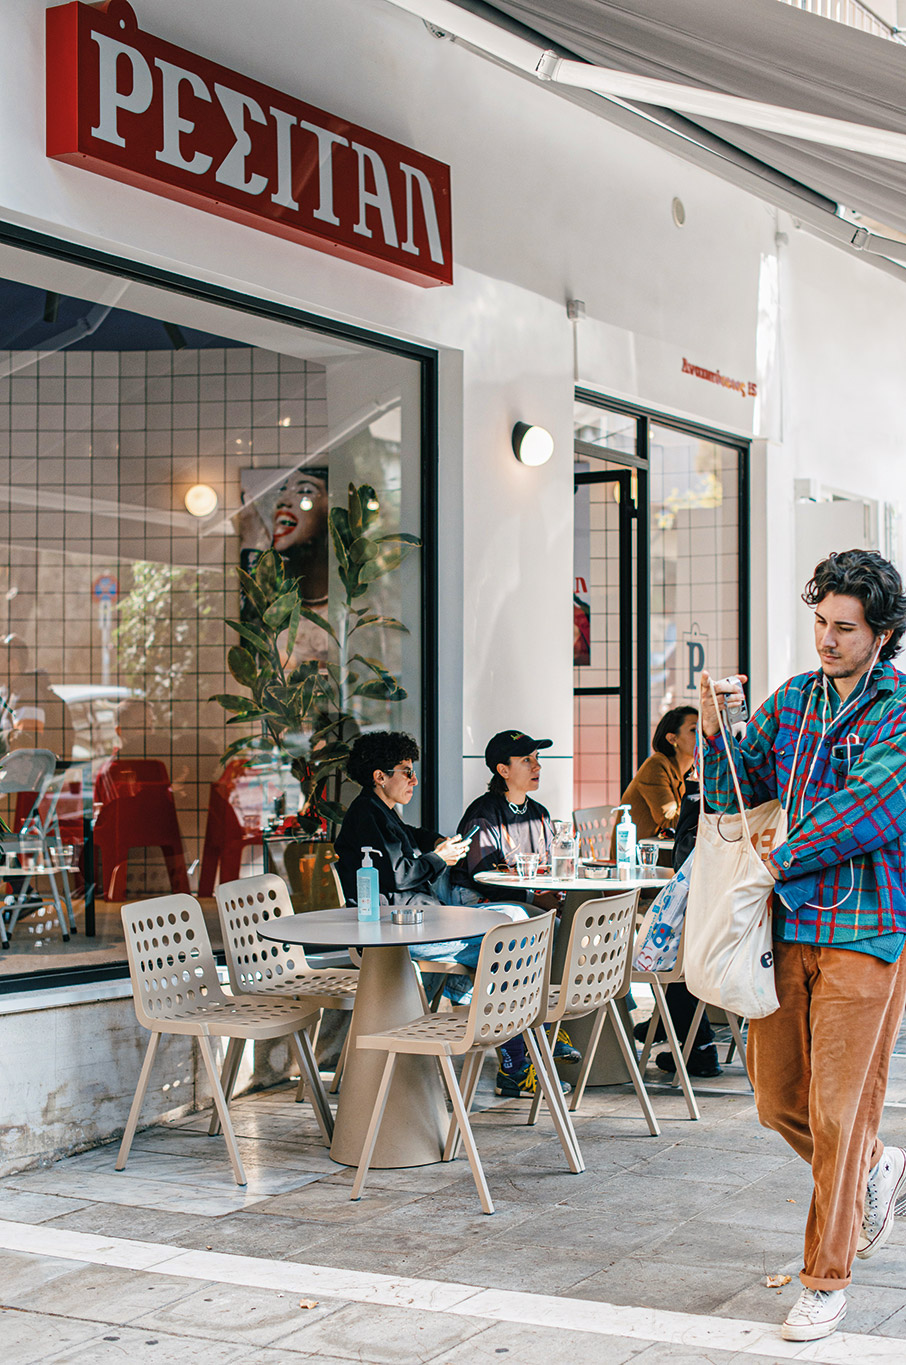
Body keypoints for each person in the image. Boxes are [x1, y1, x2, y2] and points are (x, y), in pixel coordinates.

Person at [699, 549, 906, 1344]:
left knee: (836, 1108)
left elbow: (873, 808)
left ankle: (827, 1278)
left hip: (869, 928)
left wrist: (774, 857)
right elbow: (730, 791)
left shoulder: (899, 706)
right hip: (785, 927)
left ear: (881, 633)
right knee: (777, 1099)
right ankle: (877, 1163)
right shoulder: (793, 701)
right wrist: (717, 732)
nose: (827, 638)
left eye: (844, 627)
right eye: (820, 621)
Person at [335, 731, 537, 1084]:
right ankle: (517, 1054)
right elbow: (399, 875)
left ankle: (511, 1044)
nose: (414, 780)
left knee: (514, 925)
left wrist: (435, 841)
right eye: (405, 771)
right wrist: (439, 858)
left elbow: (411, 834)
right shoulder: (367, 815)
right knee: (510, 935)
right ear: (379, 777)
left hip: (418, 923)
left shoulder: (379, 811)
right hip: (395, 934)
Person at [453, 728, 581, 1096]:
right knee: (523, 933)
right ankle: (520, 1055)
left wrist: (547, 893)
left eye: (537, 759)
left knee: (567, 928)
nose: (537, 766)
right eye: (526, 760)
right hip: (479, 904)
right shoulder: (484, 813)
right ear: (503, 769)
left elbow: (548, 866)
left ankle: (544, 1027)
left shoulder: (538, 814)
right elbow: (481, 876)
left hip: (521, 905)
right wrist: (533, 895)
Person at [610, 706, 698, 854]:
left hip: (665, 852)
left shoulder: (689, 772)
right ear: (672, 738)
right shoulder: (656, 765)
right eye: (694, 730)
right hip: (641, 859)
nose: (702, 735)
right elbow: (671, 821)